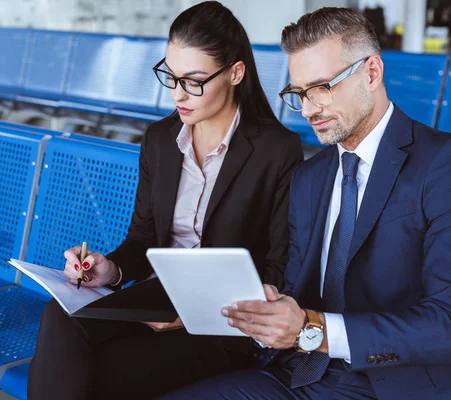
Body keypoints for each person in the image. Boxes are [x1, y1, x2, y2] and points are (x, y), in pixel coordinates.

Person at [160, 7, 451, 400]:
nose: (308, 109)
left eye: (322, 87)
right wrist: (264, 309)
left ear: (371, 73)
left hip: (400, 385)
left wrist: (314, 329)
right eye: (299, 93)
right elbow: (298, 294)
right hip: (303, 375)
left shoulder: (447, 164)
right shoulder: (311, 177)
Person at [27, 2, 303, 399]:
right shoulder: (160, 140)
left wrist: (195, 313)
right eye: (170, 77)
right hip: (156, 299)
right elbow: (142, 238)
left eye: (193, 81)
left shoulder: (277, 150)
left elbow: (279, 268)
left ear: (235, 73)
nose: (177, 93)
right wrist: (111, 270)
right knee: (60, 316)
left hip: (226, 321)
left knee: (87, 374)